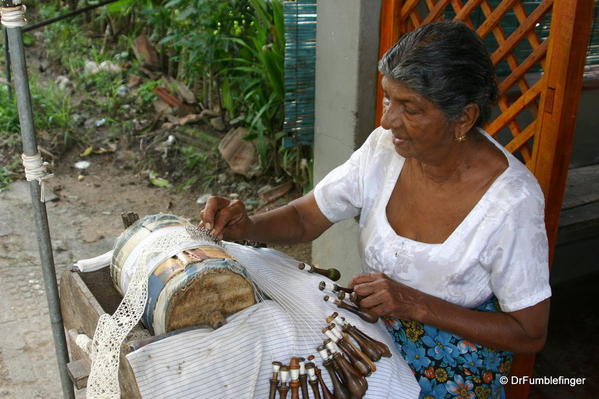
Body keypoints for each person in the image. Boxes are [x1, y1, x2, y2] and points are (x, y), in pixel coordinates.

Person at [199, 21, 551, 399]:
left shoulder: (512, 202)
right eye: (388, 99)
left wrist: (414, 304)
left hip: (453, 374)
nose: (387, 121)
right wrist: (247, 226)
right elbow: (306, 217)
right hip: (371, 341)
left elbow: (529, 333)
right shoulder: (385, 148)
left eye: (410, 108)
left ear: (463, 118)